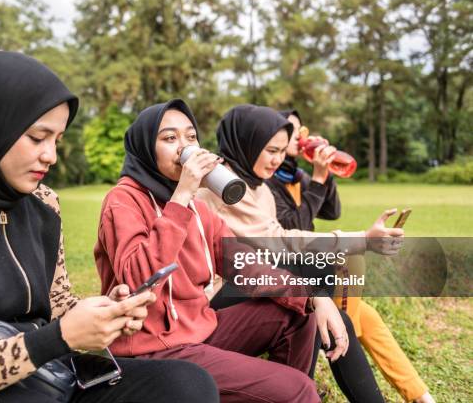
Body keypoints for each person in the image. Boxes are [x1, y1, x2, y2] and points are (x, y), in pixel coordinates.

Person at [0, 45, 219, 403]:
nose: (50, 156)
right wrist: (56, 340)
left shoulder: (44, 204)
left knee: (188, 386)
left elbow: (58, 305)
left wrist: (105, 311)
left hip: (50, 376)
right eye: (37, 138)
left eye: (57, 140)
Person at [94, 99, 321, 402]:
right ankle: (289, 393)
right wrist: (183, 194)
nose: (183, 147)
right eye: (169, 138)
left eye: (190, 137)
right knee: (299, 389)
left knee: (297, 313)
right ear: (146, 147)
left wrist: (309, 294)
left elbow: (243, 263)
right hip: (154, 349)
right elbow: (137, 279)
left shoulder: (199, 209)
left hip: (199, 331)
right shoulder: (123, 200)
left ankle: (273, 393)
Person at [197, 105, 406, 403]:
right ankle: (299, 386)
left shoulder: (261, 189)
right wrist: (364, 239)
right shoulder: (226, 187)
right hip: (211, 301)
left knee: (330, 315)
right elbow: (279, 240)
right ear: (247, 143)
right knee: (312, 275)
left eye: (283, 150)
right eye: (270, 150)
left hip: (246, 280)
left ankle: (303, 385)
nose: (278, 159)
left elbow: (327, 213)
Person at [267, 109, 436, 403]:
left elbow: (331, 211)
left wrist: (325, 174)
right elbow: (294, 229)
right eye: (290, 132)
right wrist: (318, 180)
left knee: (367, 317)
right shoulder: (266, 183)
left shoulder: (295, 175)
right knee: (351, 273)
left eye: (299, 131)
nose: (299, 138)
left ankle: (421, 396)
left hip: (307, 267)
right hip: (283, 271)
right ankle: (343, 334)